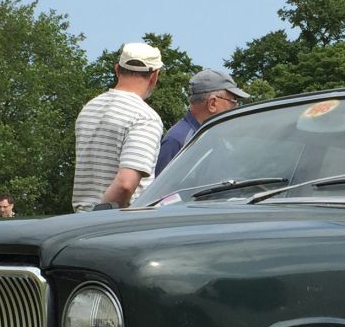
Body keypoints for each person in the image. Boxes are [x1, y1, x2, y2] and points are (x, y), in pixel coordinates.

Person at [72, 42, 164, 210]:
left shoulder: (89, 108)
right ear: (154, 76)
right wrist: (99, 219)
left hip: (81, 222)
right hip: (121, 227)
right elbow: (125, 184)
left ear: (117, 70)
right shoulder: (145, 117)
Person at [156, 68, 249, 171]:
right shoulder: (177, 141)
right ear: (212, 103)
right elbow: (163, 186)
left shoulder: (214, 136)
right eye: (233, 101)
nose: (236, 107)